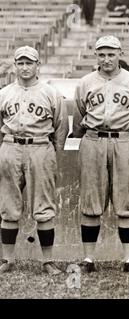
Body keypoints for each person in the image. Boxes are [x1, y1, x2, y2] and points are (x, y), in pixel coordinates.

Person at [73, 35, 129, 275]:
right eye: (102, 54)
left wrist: (127, 134)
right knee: (90, 201)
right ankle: (88, 259)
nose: (106, 59)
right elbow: (78, 119)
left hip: (124, 140)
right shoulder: (85, 82)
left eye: (111, 54)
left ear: (120, 54)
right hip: (93, 140)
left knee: (126, 202)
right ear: (96, 55)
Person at [0, 46, 69, 275]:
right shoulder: (5, 92)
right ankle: (7, 260)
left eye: (29, 63)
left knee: (44, 207)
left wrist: (53, 154)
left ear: (37, 65)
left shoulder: (50, 93)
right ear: (15, 65)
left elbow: (61, 127)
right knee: (8, 206)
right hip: (10, 146)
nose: (24, 67)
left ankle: (47, 261)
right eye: (20, 63)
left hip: (40, 146)